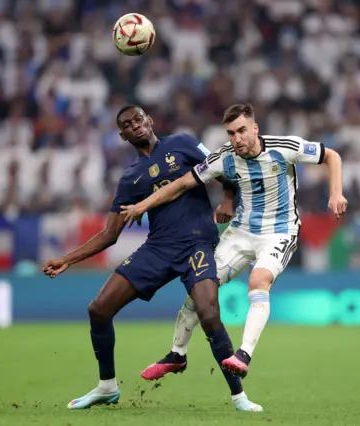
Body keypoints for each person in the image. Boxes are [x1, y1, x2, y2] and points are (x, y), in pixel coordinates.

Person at [43, 105, 262, 412]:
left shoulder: (184, 143)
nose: (135, 125)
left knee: (210, 314)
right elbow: (110, 234)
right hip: (158, 249)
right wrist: (68, 259)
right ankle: (107, 387)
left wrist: (227, 198)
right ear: (123, 135)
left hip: (197, 245)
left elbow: (223, 166)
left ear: (150, 120)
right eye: (127, 124)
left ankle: (239, 397)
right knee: (98, 310)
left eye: (138, 119)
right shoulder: (130, 179)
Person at [121, 103, 347, 380]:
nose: (237, 138)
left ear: (255, 128)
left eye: (242, 131)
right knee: (199, 287)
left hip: (279, 232)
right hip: (240, 233)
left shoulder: (285, 146)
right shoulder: (224, 158)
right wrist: (143, 204)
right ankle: (177, 354)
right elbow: (180, 184)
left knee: (258, 282)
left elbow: (332, 156)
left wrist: (336, 194)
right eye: (231, 133)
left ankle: (243, 354)